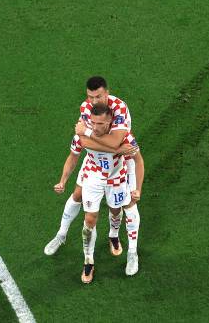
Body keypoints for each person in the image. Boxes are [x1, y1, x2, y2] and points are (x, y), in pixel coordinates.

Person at [47, 103, 144, 282]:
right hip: (93, 179)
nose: (96, 127)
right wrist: (62, 180)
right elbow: (73, 157)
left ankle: (119, 241)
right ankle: (88, 261)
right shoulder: (82, 134)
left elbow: (138, 161)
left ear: (110, 122)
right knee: (89, 219)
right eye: (93, 123)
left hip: (117, 179)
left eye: (101, 124)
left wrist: (137, 187)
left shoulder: (124, 138)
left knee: (117, 210)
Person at [45, 76, 139, 257]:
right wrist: (106, 144)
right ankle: (61, 234)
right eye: (90, 97)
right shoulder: (85, 107)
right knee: (77, 195)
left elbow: (114, 141)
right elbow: (84, 142)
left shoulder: (119, 108)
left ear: (107, 93)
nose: (93, 101)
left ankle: (113, 235)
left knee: (116, 207)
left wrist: (90, 134)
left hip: (118, 162)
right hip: (94, 162)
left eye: (98, 96)